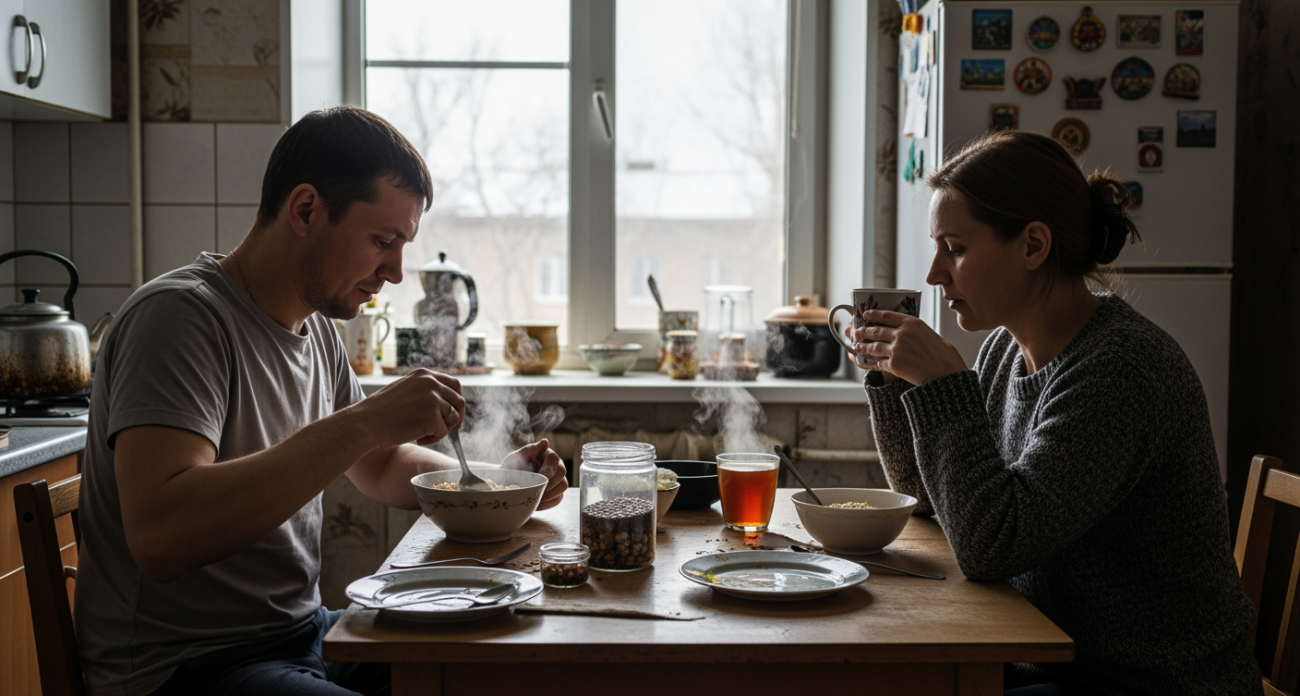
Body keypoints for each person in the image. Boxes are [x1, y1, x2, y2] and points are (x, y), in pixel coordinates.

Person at [75, 106, 569, 696]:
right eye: (383, 241)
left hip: (301, 634)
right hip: (186, 668)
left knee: (504, 666)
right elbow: (161, 537)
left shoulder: (314, 333)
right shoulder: (179, 320)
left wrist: (495, 484)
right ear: (305, 209)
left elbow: (383, 464)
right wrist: (364, 423)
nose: (395, 271)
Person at [851, 131, 1259, 695]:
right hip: (1051, 661)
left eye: (956, 248)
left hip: (1151, 682)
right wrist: (897, 382)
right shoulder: (1003, 350)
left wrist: (944, 387)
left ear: (1033, 246)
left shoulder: (1120, 370)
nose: (934, 274)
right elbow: (932, 498)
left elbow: (993, 545)